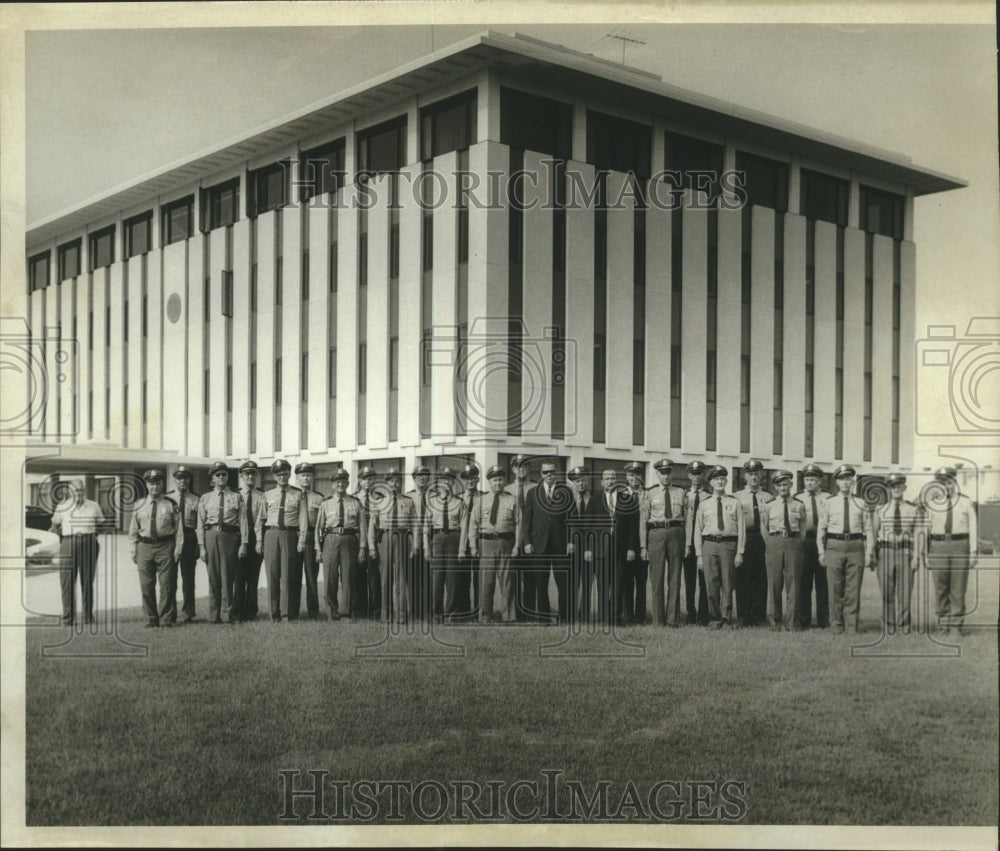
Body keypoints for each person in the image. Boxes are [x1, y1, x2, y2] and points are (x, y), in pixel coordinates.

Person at [817, 464, 875, 635]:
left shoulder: (861, 503)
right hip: (834, 545)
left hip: (855, 546)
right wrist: (821, 550)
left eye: (848, 479)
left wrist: (870, 553)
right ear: (837, 482)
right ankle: (836, 625)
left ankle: (851, 626)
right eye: (842, 479)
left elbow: (869, 529)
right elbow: (822, 528)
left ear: (853, 481)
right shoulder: (828, 503)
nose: (845, 482)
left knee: (853, 588)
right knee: (835, 588)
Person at [924, 466, 978, 636]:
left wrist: (974, 551)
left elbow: (973, 528)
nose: (946, 487)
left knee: (958, 587)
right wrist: (926, 554)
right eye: (942, 484)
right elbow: (926, 530)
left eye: (949, 483)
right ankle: (943, 625)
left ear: (955, 482)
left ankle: (955, 627)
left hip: (960, 546)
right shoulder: (932, 504)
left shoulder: (966, 501)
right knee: (940, 587)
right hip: (938, 547)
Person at [129, 470, 185, 628]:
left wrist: (178, 549)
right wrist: (133, 549)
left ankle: (166, 619)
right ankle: (151, 619)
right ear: (146, 485)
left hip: (165, 546)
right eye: (151, 483)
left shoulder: (170, 504)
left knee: (167, 585)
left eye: (157, 483)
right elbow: (133, 529)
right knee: (146, 585)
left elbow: (178, 530)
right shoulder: (139, 505)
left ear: (162, 484)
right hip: (145, 546)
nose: (154, 486)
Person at [693, 465, 746, 629]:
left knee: (728, 583)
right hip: (709, 545)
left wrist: (740, 552)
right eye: (716, 479)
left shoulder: (734, 503)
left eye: (722, 479)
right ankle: (714, 618)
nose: (720, 482)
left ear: (727, 481)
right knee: (711, 584)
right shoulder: (704, 504)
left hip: (729, 545)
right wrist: (699, 555)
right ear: (710, 483)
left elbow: (742, 528)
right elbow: (697, 530)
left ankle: (727, 619)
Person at [196, 461, 248, 624]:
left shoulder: (236, 497)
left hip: (229, 537)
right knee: (213, 577)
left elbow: (243, 521)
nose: (221, 477)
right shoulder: (205, 498)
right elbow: (200, 524)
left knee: (228, 577)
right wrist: (202, 547)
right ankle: (214, 616)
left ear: (227, 477)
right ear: (213, 478)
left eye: (224, 474)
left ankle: (228, 614)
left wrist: (244, 543)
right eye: (217, 475)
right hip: (211, 536)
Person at [522, 460, 573, 623]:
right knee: (540, 583)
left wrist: (571, 541)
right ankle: (543, 618)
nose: (549, 475)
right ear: (541, 475)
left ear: (556, 472)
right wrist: (527, 542)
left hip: (560, 545)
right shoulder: (532, 492)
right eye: (546, 472)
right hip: (539, 544)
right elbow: (526, 520)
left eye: (552, 472)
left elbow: (572, 519)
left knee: (563, 584)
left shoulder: (566, 491)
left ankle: (564, 618)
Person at [258, 459, 309, 622]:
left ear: (289, 475)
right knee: (272, 575)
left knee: (288, 575)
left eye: (285, 474)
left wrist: (301, 539)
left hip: (289, 535)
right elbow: (260, 519)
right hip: (271, 535)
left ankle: (287, 613)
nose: (282, 477)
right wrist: (259, 540)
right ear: (274, 476)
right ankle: (274, 614)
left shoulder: (298, 494)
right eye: (279, 474)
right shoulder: (267, 495)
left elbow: (303, 519)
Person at [873, 472, 923, 633]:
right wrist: (872, 555)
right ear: (889, 488)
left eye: (899, 486)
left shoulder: (913, 509)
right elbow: (873, 533)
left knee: (905, 593)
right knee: (887, 592)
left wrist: (916, 556)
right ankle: (888, 625)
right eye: (893, 486)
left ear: (904, 487)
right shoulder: (881, 510)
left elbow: (918, 533)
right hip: (885, 552)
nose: (896, 489)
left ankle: (904, 626)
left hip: (905, 552)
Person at [50, 478, 104, 627]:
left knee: (87, 582)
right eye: (75, 491)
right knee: (67, 582)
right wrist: (64, 539)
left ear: (84, 491)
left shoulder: (93, 505)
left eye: (80, 490)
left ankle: (88, 617)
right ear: (70, 492)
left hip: (88, 543)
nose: (78, 493)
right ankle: (68, 618)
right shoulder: (63, 506)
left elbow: (101, 524)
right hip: (68, 543)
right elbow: (54, 526)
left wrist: (91, 537)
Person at [640, 458, 687, 627]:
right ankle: (658, 620)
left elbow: (686, 520)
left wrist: (687, 544)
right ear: (657, 474)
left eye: (668, 473)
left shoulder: (681, 492)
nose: (666, 476)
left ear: (672, 473)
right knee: (657, 578)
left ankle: (672, 619)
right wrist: (643, 546)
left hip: (676, 533)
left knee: (674, 578)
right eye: (662, 473)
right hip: (656, 534)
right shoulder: (650, 493)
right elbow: (643, 521)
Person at [315, 468, 367, 620]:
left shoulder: (355, 502)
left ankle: (346, 612)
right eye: (338, 482)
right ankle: (332, 613)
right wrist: (318, 549)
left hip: (349, 540)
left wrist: (362, 547)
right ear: (332, 485)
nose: (341, 485)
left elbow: (362, 527)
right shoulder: (326, 504)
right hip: (330, 539)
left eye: (344, 482)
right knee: (330, 577)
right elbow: (319, 528)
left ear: (348, 483)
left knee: (348, 577)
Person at [469, 465, 519, 622]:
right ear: (489, 482)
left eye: (501, 480)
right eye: (495, 480)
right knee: (486, 582)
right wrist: (473, 545)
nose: (498, 483)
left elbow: (519, 523)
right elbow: (473, 524)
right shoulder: (481, 500)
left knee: (508, 583)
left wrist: (517, 545)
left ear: (504, 481)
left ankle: (509, 617)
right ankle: (485, 616)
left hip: (506, 543)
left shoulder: (512, 499)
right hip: (486, 543)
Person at [367, 469, 416, 623]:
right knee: (385, 578)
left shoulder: (408, 501)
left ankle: (402, 615)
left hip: (402, 537)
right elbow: (372, 526)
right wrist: (372, 547)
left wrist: (415, 545)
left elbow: (414, 525)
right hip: (385, 538)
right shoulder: (379, 502)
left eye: (397, 481)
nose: (394, 484)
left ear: (400, 483)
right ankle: (386, 614)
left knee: (401, 578)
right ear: (386, 484)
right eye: (391, 481)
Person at [761, 469, 806, 631]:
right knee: (774, 583)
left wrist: (798, 542)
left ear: (791, 484)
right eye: (779, 485)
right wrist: (770, 543)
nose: (783, 488)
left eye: (786, 484)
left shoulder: (799, 505)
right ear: (775, 487)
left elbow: (803, 527)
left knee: (793, 584)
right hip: (774, 542)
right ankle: (775, 622)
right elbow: (764, 527)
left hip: (793, 543)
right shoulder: (768, 506)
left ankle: (792, 623)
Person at [734, 459, 773, 627]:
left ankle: (758, 617)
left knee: (761, 577)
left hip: (763, 538)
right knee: (742, 577)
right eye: (751, 474)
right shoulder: (737, 496)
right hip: (745, 537)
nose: (754, 477)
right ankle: (743, 616)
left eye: (757, 474)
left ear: (761, 475)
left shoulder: (769, 497)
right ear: (745, 476)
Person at [423, 467, 464, 624]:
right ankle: (436, 614)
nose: (446, 483)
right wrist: (427, 547)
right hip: (438, 539)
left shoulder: (459, 503)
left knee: (452, 579)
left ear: (453, 483)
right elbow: (426, 527)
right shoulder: (432, 502)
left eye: (449, 480)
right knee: (437, 579)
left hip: (454, 538)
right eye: (443, 480)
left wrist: (461, 549)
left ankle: (451, 614)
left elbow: (464, 526)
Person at [794, 463, 830, 629]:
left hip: (823, 541)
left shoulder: (828, 498)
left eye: (813, 480)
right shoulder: (797, 498)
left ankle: (823, 620)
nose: (809, 483)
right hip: (805, 541)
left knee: (823, 582)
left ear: (819, 481)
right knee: (804, 582)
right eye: (807, 479)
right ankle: (804, 620)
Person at [505, 454, 536, 621]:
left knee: (531, 577)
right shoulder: (507, 489)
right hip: (514, 540)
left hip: (531, 538)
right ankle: (515, 612)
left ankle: (530, 611)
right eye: (518, 466)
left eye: (524, 466)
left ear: (529, 468)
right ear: (513, 469)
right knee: (513, 576)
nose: (521, 469)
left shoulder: (536, 488)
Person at [169, 466, 201, 624]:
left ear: (189, 480)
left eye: (186, 478)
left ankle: (188, 613)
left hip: (189, 537)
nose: (183, 481)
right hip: (171, 539)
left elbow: (200, 524)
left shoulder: (196, 499)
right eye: (179, 478)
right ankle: (171, 613)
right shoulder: (168, 499)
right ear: (175, 480)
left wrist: (198, 544)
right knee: (170, 578)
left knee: (188, 579)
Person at [234, 460, 265, 621]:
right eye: (247, 474)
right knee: (239, 575)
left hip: (257, 537)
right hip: (238, 537)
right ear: (241, 476)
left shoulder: (262, 495)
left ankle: (251, 611)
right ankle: (238, 610)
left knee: (253, 576)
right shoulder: (235, 495)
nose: (250, 477)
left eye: (253, 474)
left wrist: (260, 541)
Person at [618, 462, 647, 625]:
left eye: (637, 474)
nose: (634, 478)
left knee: (641, 582)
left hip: (643, 545)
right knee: (627, 581)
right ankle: (628, 615)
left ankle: (640, 616)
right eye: (631, 475)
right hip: (626, 546)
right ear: (626, 477)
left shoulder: (648, 494)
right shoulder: (621, 495)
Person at [296, 462, 326, 620]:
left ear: (313, 477)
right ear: (297, 478)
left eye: (308, 475)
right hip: (294, 537)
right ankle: (292, 610)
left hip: (311, 537)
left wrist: (318, 545)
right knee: (293, 576)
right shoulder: (293, 495)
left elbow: (321, 525)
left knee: (311, 576)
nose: (306, 478)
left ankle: (313, 611)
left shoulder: (319, 498)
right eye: (302, 475)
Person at [683, 461, 711, 625]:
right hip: (688, 544)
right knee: (689, 581)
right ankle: (690, 613)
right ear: (688, 476)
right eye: (693, 474)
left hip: (704, 543)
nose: (696, 477)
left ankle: (703, 615)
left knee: (704, 581)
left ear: (704, 475)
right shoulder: (684, 495)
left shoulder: (709, 496)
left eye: (699, 473)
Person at [455, 464, 485, 621]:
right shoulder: (458, 498)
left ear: (478, 479)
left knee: (479, 578)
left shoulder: (485, 497)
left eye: (473, 478)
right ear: (463, 481)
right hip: (461, 544)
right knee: (462, 579)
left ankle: (479, 612)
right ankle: (464, 612)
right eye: (467, 479)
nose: (470, 481)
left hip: (480, 543)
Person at [566, 466, 594, 624]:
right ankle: (571, 614)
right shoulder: (568, 500)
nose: (581, 483)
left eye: (583, 480)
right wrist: (569, 541)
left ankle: (585, 615)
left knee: (587, 582)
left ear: (588, 480)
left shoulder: (596, 499)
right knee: (573, 582)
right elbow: (565, 523)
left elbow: (596, 526)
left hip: (589, 548)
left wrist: (590, 548)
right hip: (573, 546)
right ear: (573, 483)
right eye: (577, 481)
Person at [406, 465, 433, 622]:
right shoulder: (408, 497)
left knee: (429, 577)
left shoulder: (435, 496)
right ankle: (414, 612)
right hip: (413, 540)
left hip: (430, 539)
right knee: (413, 577)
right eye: (419, 476)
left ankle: (428, 612)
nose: (422, 478)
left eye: (425, 475)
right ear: (414, 478)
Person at [354, 466, 379, 618]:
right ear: (359, 481)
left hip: (375, 540)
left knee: (374, 575)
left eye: (370, 478)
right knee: (358, 575)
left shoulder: (380, 497)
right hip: (358, 540)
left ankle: (375, 611)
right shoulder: (354, 498)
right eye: (364, 479)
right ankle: (359, 610)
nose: (367, 482)